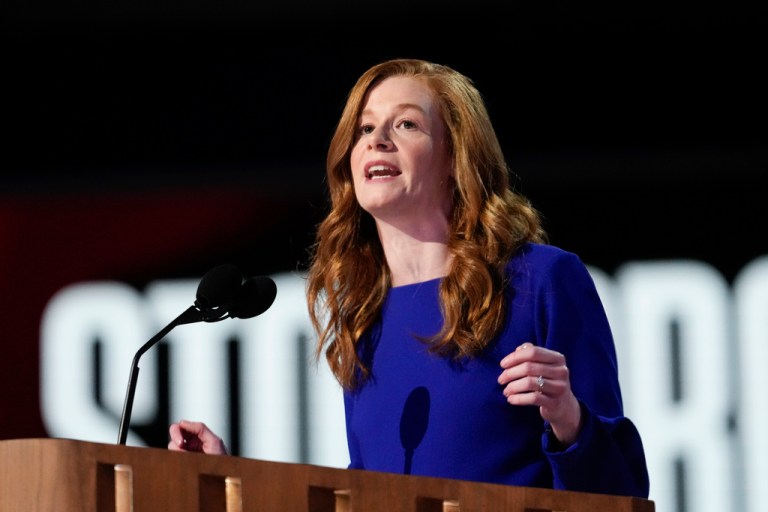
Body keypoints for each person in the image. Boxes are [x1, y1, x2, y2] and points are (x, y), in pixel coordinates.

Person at [168, 58, 650, 498]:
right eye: (365, 128)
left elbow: (621, 494)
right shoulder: (362, 313)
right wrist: (232, 482)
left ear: (454, 158)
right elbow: (363, 497)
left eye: (406, 124)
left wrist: (569, 418)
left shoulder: (540, 279)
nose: (377, 139)